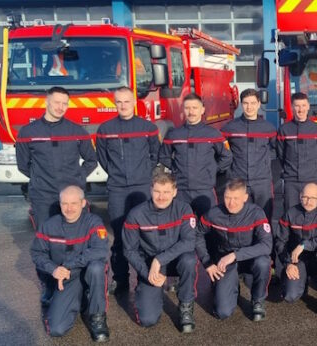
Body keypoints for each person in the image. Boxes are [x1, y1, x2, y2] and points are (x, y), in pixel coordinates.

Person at [96, 86, 160, 295]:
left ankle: (147, 276)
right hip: (117, 189)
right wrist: (117, 174)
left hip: (142, 187)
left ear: (134, 103)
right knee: (120, 235)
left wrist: (143, 173)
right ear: (115, 104)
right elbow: (104, 160)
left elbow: (154, 154)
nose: (123, 105)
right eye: (119, 102)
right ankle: (121, 279)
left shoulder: (148, 127)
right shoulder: (105, 130)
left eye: (127, 101)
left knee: (147, 234)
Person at [30, 186, 109, 342]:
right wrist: (53, 270)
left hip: (87, 273)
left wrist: (68, 264)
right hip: (66, 278)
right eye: (64, 203)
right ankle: (82, 299)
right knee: (56, 329)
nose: (69, 208)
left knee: (97, 267)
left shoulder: (94, 222)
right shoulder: (49, 225)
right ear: (60, 204)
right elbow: (37, 253)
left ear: (83, 203)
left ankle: (98, 318)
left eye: (74, 203)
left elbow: (100, 250)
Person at [122, 169, 198, 333]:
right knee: (147, 320)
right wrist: (146, 272)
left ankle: (185, 306)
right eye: (157, 191)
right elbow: (129, 250)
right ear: (151, 190)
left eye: (166, 192)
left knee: (189, 260)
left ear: (175, 192)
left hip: (175, 260)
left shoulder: (184, 209)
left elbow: (189, 241)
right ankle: (148, 293)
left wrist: (160, 260)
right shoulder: (136, 214)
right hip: (149, 266)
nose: (161, 196)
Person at [16, 86, 98, 229]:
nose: (60, 107)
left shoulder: (77, 131)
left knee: (76, 236)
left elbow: (91, 160)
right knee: (46, 237)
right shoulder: (28, 132)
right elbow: (23, 164)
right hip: (43, 196)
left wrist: (78, 178)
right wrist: (39, 178)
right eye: (56, 102)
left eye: (64, 103)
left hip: (71, 195)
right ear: (47, 102)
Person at [196, 178, 272, 321]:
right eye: (227, 197)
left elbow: (267, 245)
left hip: (249, 258)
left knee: (263, 262)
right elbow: (197, 235)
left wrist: (235, 255)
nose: (231, 203)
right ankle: (229, 285)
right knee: (222, 312)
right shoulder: (213, 214)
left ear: (245, 197)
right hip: (225, 261)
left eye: (236, 198)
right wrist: (207, 262)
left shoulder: (256, 213)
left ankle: (258, 299)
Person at [159, 93, 233, 217]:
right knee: (181, 226)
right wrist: (176, 169)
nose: (191, 112)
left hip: (205, 190)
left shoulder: (213, 134)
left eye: (195, 108)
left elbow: (227, 156)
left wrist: (213, 169)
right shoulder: (174, 134)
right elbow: (163, 156)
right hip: (181, 190)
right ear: (183, 109)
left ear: (202, 110)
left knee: (209, 226)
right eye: (187, 108)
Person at [276, 183, 317, 314]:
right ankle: (301, 283)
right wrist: (288, 264)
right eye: (305, 197)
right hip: (298, 261)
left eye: (313, 198)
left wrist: (304, 245)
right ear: (300, 196)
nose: (308, 202)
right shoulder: (290, 214)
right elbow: (280, 243)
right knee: (290, 296)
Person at [221, 89, 277, 220]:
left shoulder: (268, 128)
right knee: (239, 218)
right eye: (246, 103)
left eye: (253, 103)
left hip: (262, 181)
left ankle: (265, 241)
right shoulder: (230, 128)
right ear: (241, 104)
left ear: (258, 104)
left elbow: (277, 149)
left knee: (264, 218)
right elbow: (221, 150)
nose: (249, 107)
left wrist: (264, 160)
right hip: (238, 180)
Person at [277, 92, 317, 212]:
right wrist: (288, 170)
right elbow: (281, 154)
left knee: (312, 212)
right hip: (291, 180)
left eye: (303, 105)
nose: (301, 109)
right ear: (292, 107)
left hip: (311, 178)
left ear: (308, 106)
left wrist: (314, 169)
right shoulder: (284, 130)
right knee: (291, 211)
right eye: (297, 106)